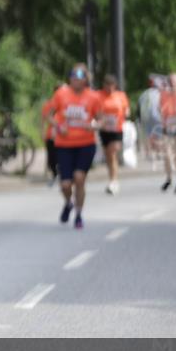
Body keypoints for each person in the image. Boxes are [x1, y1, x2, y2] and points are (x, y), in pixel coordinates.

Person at [48, 64, 101, 229]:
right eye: (72, 76)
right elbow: (49, 115)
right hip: (64, 144)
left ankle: (78, 214)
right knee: (65, 184)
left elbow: (102, 119)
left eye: (78, 77)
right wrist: (58, 126)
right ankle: (68, 203)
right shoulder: (61, 94)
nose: (75, 80)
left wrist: (93, 126)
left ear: (85, 80)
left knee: (79, 178)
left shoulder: (93, 97)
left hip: (85, 144)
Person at [97, 74, 130, 195]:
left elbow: (127, 109)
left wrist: (126, 113)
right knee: (108, 156)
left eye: (112, 86)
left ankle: (114, 181)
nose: (110, 89)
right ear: (104, 85)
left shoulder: (120, 96)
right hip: (105, 129)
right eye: (107, 86)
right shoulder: (99, 95)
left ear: (115, 86)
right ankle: (112, 178)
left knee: (113, 152)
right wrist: (101, 118)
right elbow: (95, 110)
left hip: (117, 128)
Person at [138, 76, 162, 163]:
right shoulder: (159, 93)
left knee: (149, 135)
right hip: (157, 117)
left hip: (146, 117)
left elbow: (139, 107)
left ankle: (150, 154)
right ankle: (158, 153)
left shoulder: (144, 94)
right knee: (158, 136)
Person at [41, 84, 61, 187]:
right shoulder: (49, 104)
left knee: (62, 156)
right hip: (51, 135)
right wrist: (43, 132)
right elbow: (44, 119)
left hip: (63, 136)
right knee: (51, 157)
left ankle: (62, 174)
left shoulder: (67, 103)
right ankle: (55, 174)